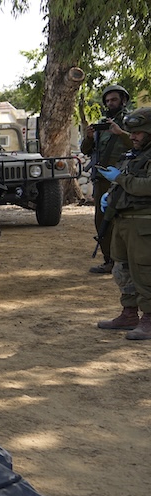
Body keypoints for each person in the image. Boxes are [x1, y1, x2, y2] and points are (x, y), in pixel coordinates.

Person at [94, 107, 151, 340]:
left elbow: (146, 186)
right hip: (124, 220)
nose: (133, 136)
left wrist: (119, 178)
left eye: (138, 133)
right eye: (132, 132)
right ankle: (129, 313)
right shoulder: (134, 154)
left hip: (144, 222)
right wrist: (110, 196)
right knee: (122, 268)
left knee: (144, 271)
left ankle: (149, 317)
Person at [81, 84, 133, 274]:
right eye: (108, 101)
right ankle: (109, 259)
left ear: (123, 100)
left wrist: (120, 133)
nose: (111, 103)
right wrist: (88, 137)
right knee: (102, 220)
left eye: (114, 100)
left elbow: (141, 144)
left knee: (125, 220)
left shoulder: (131, 122)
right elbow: (86, 150)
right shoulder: (101, 124)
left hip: (125, 178)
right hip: (103, 181)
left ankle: (127, 260)